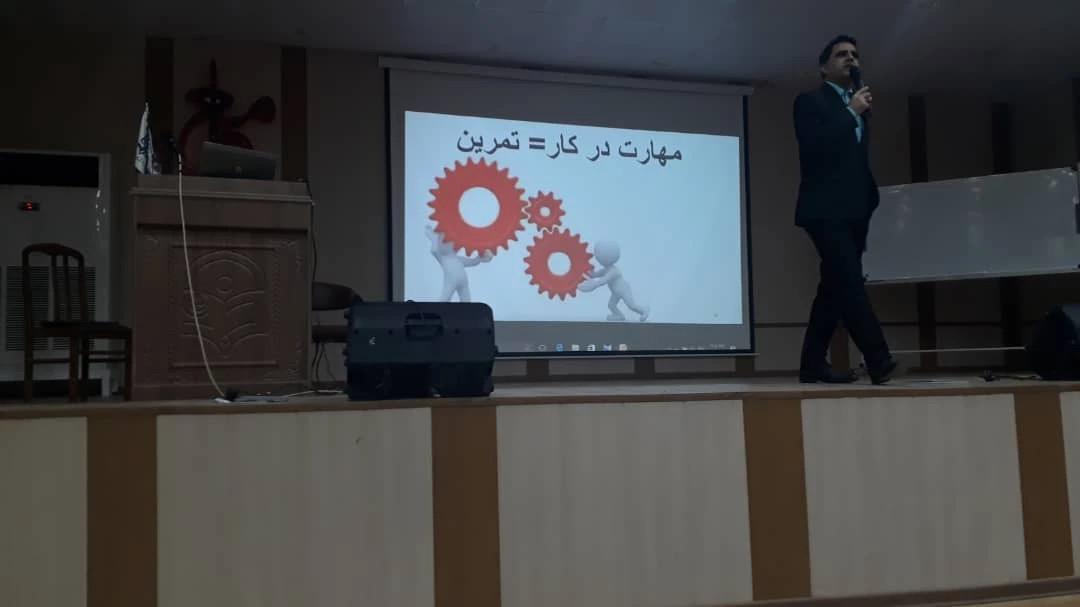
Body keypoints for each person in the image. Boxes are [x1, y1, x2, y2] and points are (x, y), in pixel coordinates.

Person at [792, 34, 897, 385]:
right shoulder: (810, 102)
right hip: (824, 211)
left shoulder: (860, 107)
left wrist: (869, 199)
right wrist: (851, 111)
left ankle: (811, 365)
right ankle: (879, 360)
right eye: (841, 54)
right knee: (850, 282)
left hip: (855, 212)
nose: (850, 58)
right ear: (824, 67)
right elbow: (815, 147)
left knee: (833, 289)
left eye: (854, 54)